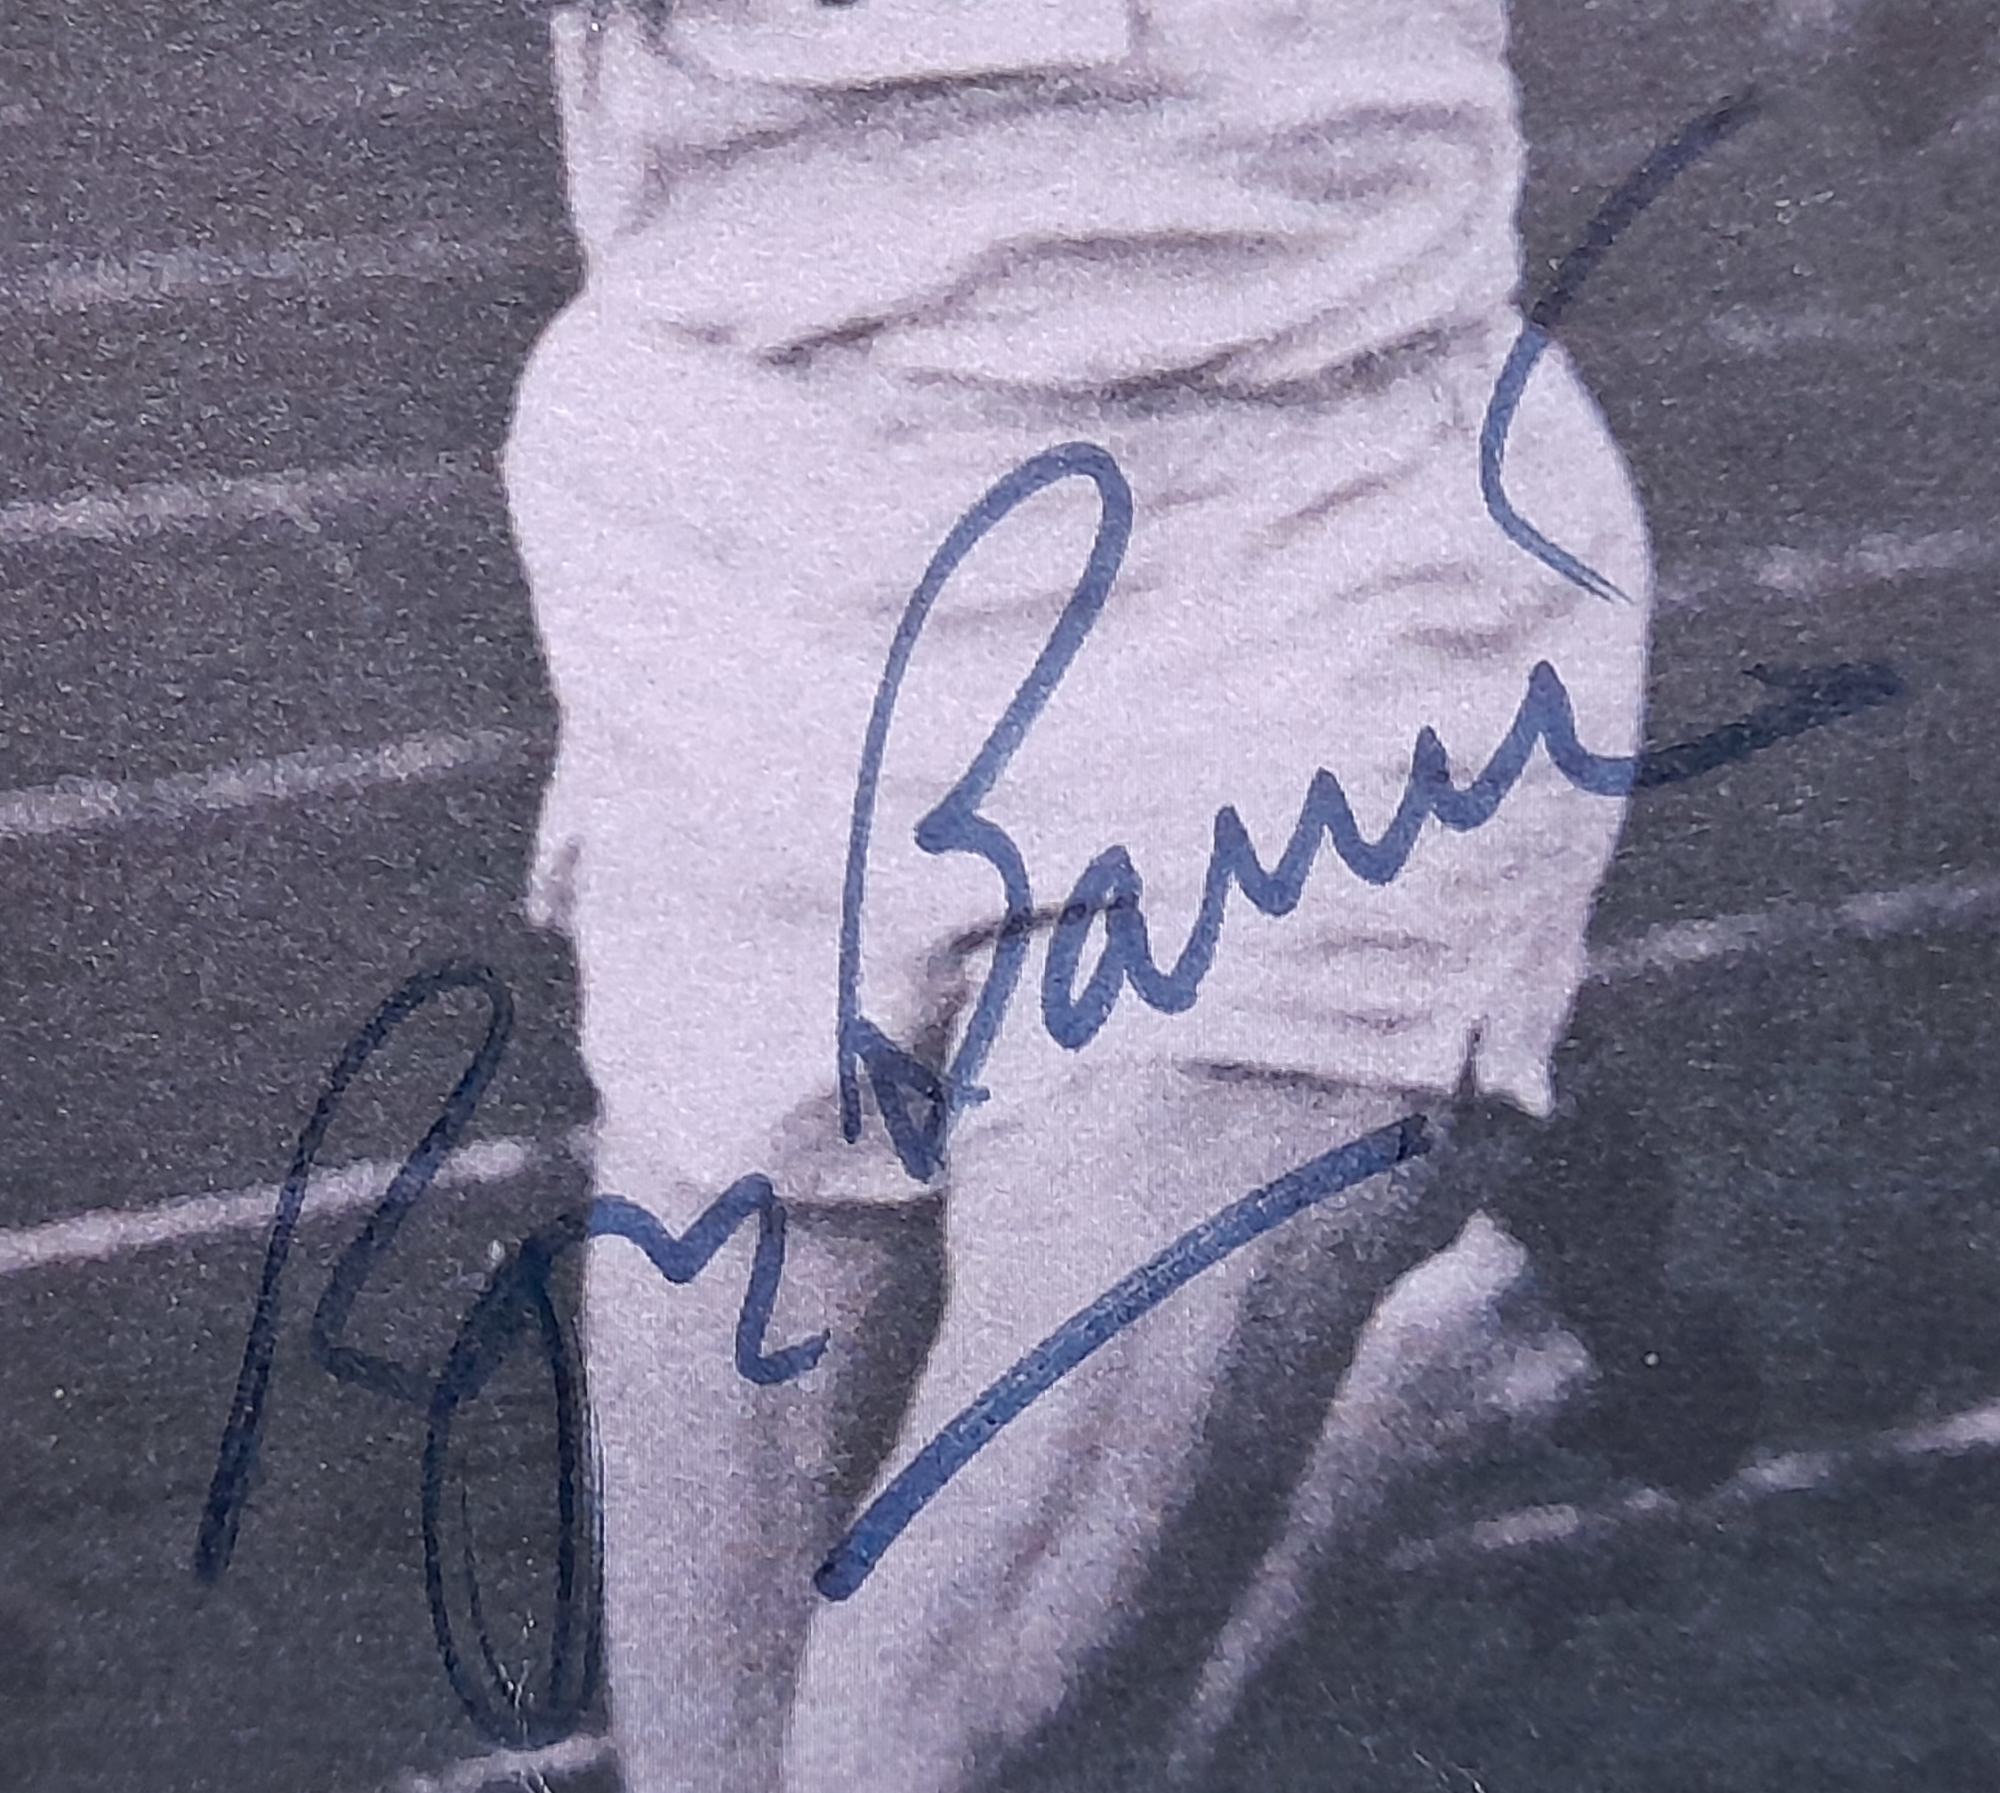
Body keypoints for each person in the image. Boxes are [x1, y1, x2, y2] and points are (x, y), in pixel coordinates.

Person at [501, 1, 1655, 1786]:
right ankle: (1372, 1404)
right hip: (735, 555)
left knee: (914, 1759)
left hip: (1287, 530)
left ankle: (1323, 1405)